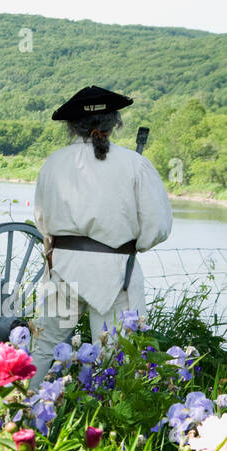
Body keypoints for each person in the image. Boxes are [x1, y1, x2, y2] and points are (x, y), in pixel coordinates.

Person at [30, 86, 173, 387]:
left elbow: (42, 221)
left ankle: (14, 417)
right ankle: (109, 426)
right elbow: (156, 226)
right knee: (116, 356)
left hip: (63, 267)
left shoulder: (53, 163)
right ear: (114, 122)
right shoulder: (136, 165)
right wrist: (131, 245)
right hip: (115, 271)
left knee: (42, 348)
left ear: (73, 126)